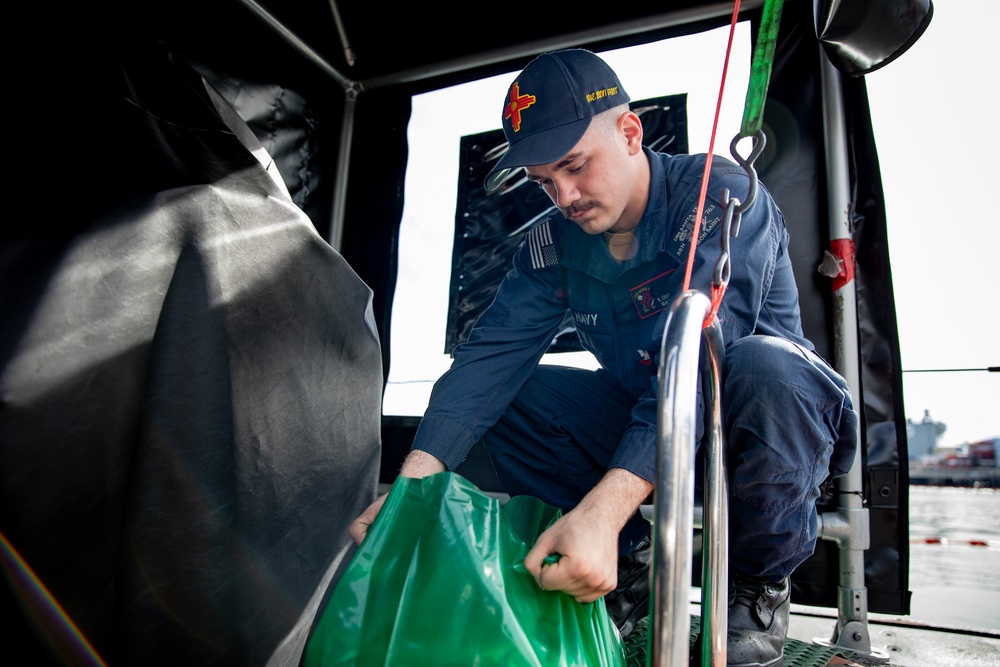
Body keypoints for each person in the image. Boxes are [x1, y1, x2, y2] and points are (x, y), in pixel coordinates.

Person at [350, 48, 858, 667]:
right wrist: (413, 494)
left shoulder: (719, 195)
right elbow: (487, 360)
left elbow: (697, 363)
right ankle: (629, 574)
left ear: (630, 132)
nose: (564, 196)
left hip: (753, 437)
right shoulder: (555, 243)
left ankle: (756, 587)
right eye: (544, 181)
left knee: (759, 366)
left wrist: (606, 510)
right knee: (513, 395)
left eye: (574, 166)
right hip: (647, 430)